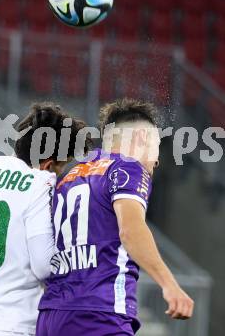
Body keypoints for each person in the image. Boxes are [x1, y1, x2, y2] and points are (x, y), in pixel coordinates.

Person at [37, 98, 194, 336]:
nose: (157, 159)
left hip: (52, 315)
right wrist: (169, 284)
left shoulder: (71, 175)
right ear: (142, 139)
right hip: (100, 312)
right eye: (157, 146)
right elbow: (130, 230)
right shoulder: (128, 167)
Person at [0, 102, 89, 336]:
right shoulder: (39, 181)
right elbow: (44, 265)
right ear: (48, 164)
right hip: (11, 326)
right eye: (61, 168)